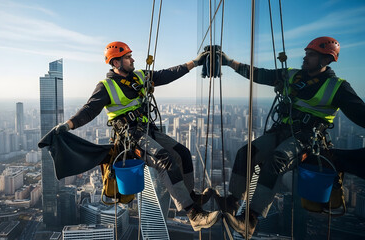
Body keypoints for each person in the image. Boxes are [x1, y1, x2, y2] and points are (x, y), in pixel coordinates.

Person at [55, 41, 219, 231]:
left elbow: (167, 74)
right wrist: (68, 125)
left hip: (148, 129)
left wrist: (195, 62)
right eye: (127, 57)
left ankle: (191, 196)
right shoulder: (106, 86)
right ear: (116, 63)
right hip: (130, 137)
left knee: (182, 153)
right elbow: (89, 110)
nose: (132, 60)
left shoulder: (140, 76)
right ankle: (193, 214)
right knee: (164, 160)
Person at [215, 36, 365, 238]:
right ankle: (232, 203)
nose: (305, 58)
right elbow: (260, 74)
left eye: (311, 55)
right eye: (307, 53)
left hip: (306, 139)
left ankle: (250, 219)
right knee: (245, 153)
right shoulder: (292, 75)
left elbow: (361, 114)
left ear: (326, 60)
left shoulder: (338, 87)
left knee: (276, 160)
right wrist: (229, 62)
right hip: (281, 132)